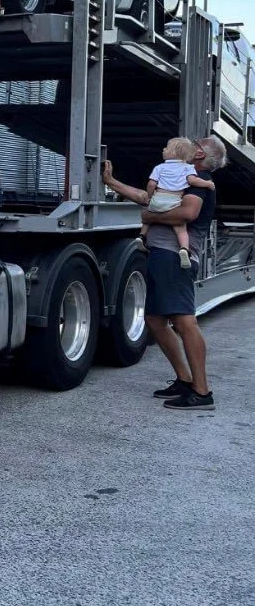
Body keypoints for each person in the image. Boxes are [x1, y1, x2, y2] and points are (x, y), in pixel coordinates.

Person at [102, 134, 227, 411]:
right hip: (161, 255)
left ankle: (202, 392)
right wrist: (112, 183)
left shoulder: (200, 180)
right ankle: (185, 380)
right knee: (155, 321)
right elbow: (147, 197)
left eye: (198, 143)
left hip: (176, 257)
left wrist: (150, 217)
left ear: (200, 155)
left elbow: (188, 214)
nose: (193, 144)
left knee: (184, 322)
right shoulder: (180, 177)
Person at [136, 137, 215, 268]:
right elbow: (192, 181)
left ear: (173, 153)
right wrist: (207, 184)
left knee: (147, 220)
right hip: (173, 201)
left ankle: (141, 236)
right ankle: (184, 248)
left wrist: (150, 197)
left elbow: (151, 184)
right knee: (181, 229)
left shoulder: (159, 167)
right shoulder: (188, 168)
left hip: (158, 198)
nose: (163, 149)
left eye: (166, 148)